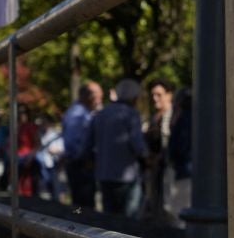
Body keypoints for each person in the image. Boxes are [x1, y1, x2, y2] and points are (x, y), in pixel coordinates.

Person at [88, 78, 144, 217]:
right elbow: (138, 146)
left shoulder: (101, 114)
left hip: (105, 173)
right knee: (128, 218)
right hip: (126, 176)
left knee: (109, 216)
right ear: (134, 98)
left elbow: (89, 143)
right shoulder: (131, 114)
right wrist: (148, 157)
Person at [143, 79, 178, 224]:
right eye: (152, 95)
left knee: (169, 210)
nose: (154, 98)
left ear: (169, 95)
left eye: (159, 94)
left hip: (169, 171)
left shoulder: (174, 116)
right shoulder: (154, 117)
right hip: (154, 171)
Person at [62, 82, 101, 209]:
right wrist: (85, 159)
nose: (99, 101)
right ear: (88, 97)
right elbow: (73, 143)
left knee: (83, 205)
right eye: (98, 97)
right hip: (80, 165)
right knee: (82, 207)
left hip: (80, 164)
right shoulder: (78, 114)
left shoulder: (82, 113)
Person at [168, 86, 193, 216]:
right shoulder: (193, 117)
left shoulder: (183, 118)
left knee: (180, 211)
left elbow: (179, 146)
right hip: (186, 169)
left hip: (185, 170)